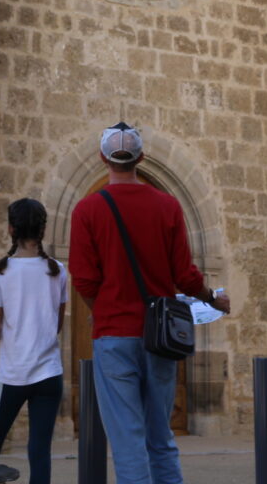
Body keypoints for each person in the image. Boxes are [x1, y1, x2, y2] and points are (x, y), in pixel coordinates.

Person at [69, 122, 231, 484]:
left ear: (102, 158)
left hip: (113, 336)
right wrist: (213, 298)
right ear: (140, 158)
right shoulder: (168, 206)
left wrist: (102, 310)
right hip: (160, 336)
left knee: (127, 442)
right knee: (161, 438)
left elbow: (83, 279)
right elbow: (185, 275)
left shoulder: (86, 211)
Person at [0, 198, 68, 483]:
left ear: (11, 229)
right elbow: (57, 324)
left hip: (13, 373)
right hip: (49, 373)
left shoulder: (1, 272)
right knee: (39, 451)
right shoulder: (58, 270)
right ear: (43, 230)